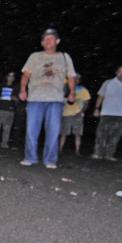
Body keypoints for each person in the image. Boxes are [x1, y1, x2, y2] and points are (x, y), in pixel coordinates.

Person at [19, 29, 76, 169]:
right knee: (31, 129)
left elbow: (71, 76)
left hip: (56, 98)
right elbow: (26, 75)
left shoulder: (64, 57)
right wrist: (22, 89)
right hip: (35, 97)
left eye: (51, 38)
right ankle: (30, 157)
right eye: (45, 39)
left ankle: (50, 159)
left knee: (53, 130)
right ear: (42, 42)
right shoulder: (35, 56)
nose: (48, 41)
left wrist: (72, 92)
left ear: (57, 41)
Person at [92, 66, 122, 161]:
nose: (121, 74)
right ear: (116, 73)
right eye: (120, 72)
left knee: (115, 136)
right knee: (101, 134)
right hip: (106, 112)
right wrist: (96, 108)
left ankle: (109, 155)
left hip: (121, 114)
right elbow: (101, 96)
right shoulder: (108, 83)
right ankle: (98, 153)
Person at [58, 74, 91, 156]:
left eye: (77, 79)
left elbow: (86, 103)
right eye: (74, 79)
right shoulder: (66, 88)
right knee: (63, 133)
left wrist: (80, 112)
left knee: (77, 133)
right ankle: (60, 149)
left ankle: (77, 151)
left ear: (79, 80)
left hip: (78, 114)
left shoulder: (83, 90)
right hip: (66, 113)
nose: (75, 80)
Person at [0, 72, 18, 148]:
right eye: (9, 76)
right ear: (6, 77)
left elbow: (19, 99)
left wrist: (14, 98)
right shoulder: (1, 86)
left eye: (12, 76)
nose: (10, 78)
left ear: (14, 78)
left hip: (10, 110)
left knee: (7, 128)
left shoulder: (15, 87)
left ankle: (4, 143)